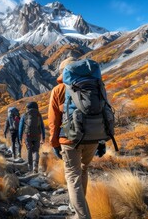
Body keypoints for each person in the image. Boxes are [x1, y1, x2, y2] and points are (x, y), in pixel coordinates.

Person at [49, 57, 106, 219]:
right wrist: (102, 140)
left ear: (64, 72)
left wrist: (54, 144)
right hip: (93, 137)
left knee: (73, 177)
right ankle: (81, 208)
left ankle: (81, 215)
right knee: (83, 169)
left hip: (69, 140)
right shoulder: (96, 85)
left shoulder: (58, 90)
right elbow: (103, 112)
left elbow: (54, 122)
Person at [18, 102, 45, 173]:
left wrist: (20, 138)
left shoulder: (24, 115)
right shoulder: (39, 115)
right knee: (36, 150)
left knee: (29, 150)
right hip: (37, 135)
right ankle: (35, 165)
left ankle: (30, 167)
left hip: (28, 135)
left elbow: (20, 127)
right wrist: (43, 137)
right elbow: (42, 126)